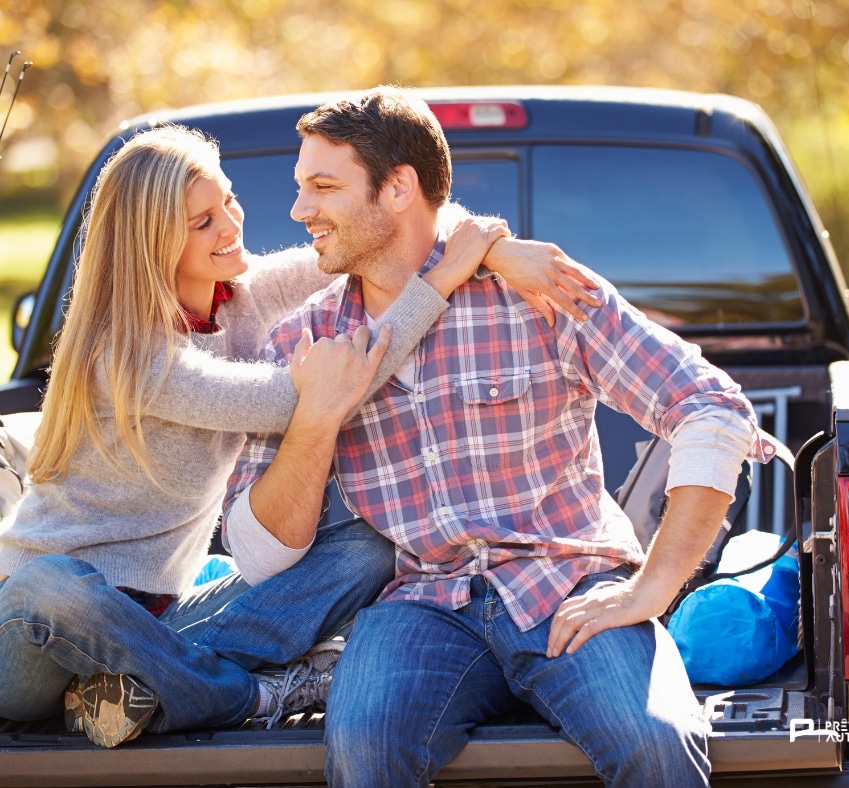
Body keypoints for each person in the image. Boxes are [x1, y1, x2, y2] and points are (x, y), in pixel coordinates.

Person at [223, 87, 774, 788]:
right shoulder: (303, 339)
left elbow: (710, 405)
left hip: (567, 582)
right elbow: (259, 554)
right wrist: (318, 418)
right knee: (363, 745)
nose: (300, 211)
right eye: (301, 188)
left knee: (657, 741)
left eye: (323, 187)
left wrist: (654, 585)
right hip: (423, 600)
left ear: (399, 189)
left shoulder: (536, 291)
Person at [0, 125, 599, 748]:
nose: (231, 225)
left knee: (369, 538)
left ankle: (137, 690)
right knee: (52, 583)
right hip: (30, 634)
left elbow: (399, 222)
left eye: (227, 201)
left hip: (164, 621)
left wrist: (494, 251)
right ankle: (243, 695)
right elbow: (311, 399)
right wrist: (443, 281)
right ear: (152, 242)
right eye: (202, 222)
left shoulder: (247, 294)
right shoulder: (127, 356)